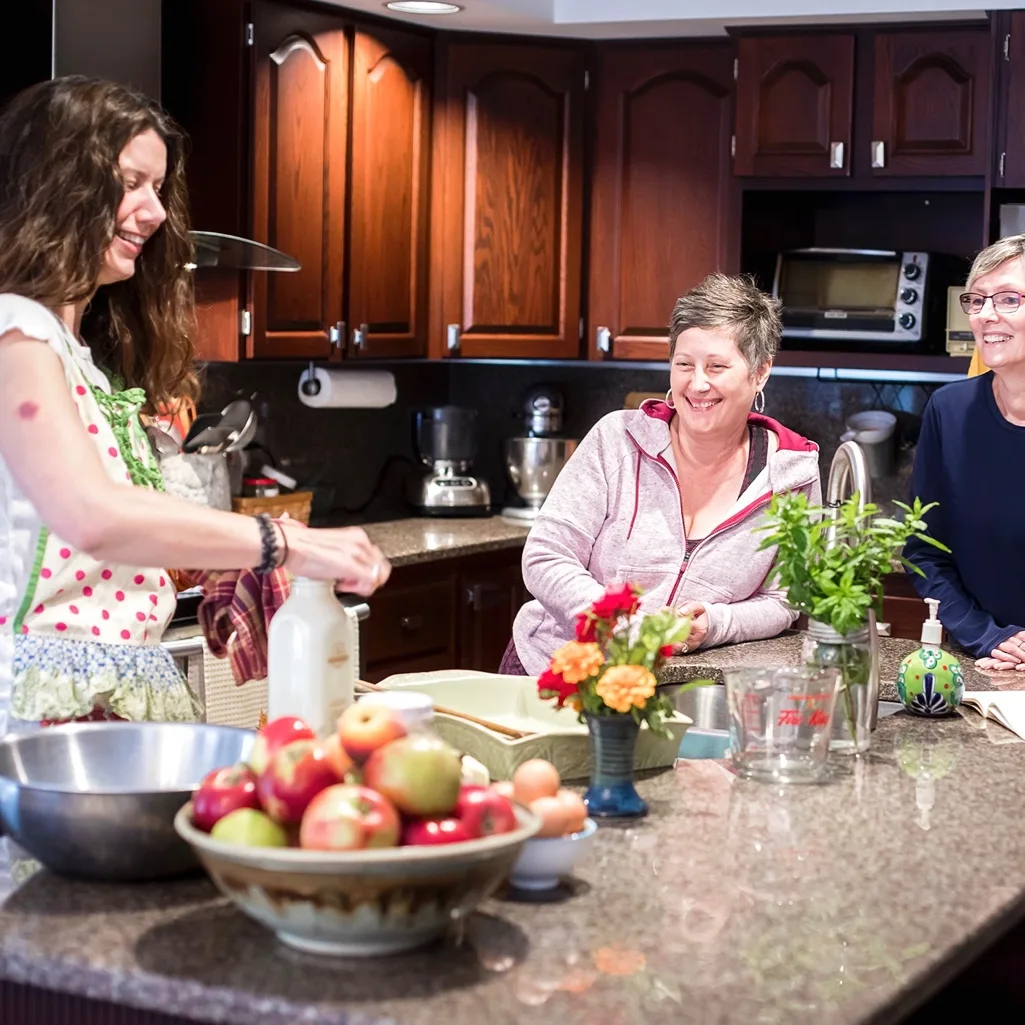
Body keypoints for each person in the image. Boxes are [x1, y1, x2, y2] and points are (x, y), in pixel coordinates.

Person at [0, 77, 391, 736]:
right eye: (130, 182)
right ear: (55, 185)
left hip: (108, 692)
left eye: (157, 188)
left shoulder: (77, 353)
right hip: (40, 708)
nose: (154, 212)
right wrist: (279, 543)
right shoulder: (16, 330)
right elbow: (89, 514)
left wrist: (212, 556)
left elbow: (95, 534)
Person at [501, 273, 822, 676]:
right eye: (684, 364)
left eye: (718, 366)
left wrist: (717, 625)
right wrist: (616, 623)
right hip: (556, 671)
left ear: (759, 373)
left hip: (676, 691)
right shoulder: (616, 440)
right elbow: (546, 556)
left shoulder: (793, 474)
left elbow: (785, 600)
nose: (698, 383)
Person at [904, 235, 1025, 671]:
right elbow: (924, 550)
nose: (986, 315)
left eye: (1008, 299)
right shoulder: (949, 411)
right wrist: (987, 636)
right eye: (977, 300)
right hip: (980, 661)